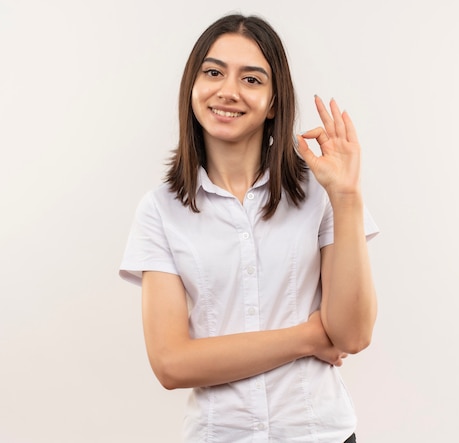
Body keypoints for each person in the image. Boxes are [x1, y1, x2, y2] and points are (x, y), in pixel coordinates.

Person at [119, 13, 379, 443]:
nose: (229, 91)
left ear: (275, 101)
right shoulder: (159, 210)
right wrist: (310, 336)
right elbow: (171, 364)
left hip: (321, 434)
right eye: (214, 72)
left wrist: (347, 197)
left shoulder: (321, 194)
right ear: (193, 87)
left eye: (252, 79)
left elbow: (352, 334)